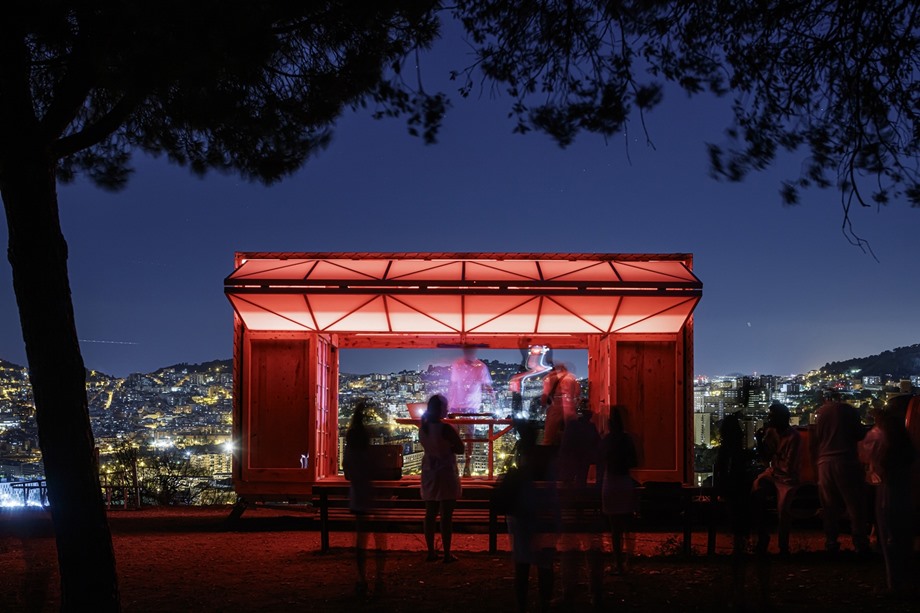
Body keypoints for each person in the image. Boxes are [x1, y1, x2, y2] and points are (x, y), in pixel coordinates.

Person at [860, 408, 915, 595]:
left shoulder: (878, 437)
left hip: (887, 489)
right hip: (903, 492)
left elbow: (865, 455)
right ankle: (906, 580)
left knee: (889, 538)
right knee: (903, 537)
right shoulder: (905, 443)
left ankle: (895, 584)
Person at [506, 419, 559, 613]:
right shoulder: (545, 460)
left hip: (522, 518)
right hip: (544, 517)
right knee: (545, 564)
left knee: (522, 566)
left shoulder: (519, 463)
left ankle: (521, 605)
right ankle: (545, 602)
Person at [811, 393, 869, 554]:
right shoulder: (848, 410)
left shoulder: (820, 413)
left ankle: (831, 543)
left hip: (824, 463)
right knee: (855, 505)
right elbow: (860, 434)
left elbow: (815, 439)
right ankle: (860, 543)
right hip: (846, 461)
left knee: (829, 507)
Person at [558, 402, 603, 606]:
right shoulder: (589, 427)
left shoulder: (573, 426)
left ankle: (569, 592)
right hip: (583, 460)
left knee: (574, 484)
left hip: (573, 461)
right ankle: (594, 595)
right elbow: (596, 445)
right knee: (581, 482)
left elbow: (567, 445)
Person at [343, 399, 387, 598]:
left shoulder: (350, 453)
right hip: (373, 495)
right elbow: (379, 471)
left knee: (361, 541)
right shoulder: (370, 452)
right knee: (379, 539)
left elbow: (347, 473)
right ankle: (380, 578)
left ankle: (361, 579)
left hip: (357, 496)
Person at [714, 412, 756, 609]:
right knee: (740, 530)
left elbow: (720, 474)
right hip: (739, 495)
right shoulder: (737, 453)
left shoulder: (725, 452)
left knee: (736, 530)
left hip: (732, 494)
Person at [419, 393, 464, 563]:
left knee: (430, 513)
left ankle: (431, 551)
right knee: (446, 516)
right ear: (440, 409)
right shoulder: (446, 428)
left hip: (429, 471)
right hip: (446, 472)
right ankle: (446, 553)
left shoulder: (423, 428)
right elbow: (460, 449)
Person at [752, 403, 801, 555]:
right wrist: (760, 441)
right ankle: (763, 537)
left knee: (783, 510)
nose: (769, 419)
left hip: (787, 478)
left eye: (772, 416)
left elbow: (788, 466)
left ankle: (783, 546)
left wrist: (772, 453)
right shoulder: (771, 432)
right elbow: (765, 459)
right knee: (756, 490)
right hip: (774, 473)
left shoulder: (793, 437)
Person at [600, 405, 638, 576]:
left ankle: (618, 563)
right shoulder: (627, 439)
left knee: (614, 529)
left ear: (609, 423)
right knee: (627, 526)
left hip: (611, 483)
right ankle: (628, 561)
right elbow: (634, 461)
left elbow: (600, 460)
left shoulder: (606, 440)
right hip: (624, 483)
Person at [448, 346, 494, 475]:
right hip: (457, 406)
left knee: (468, 437)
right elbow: (453, 385)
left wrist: (493, 397)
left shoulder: (480, 366)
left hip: (469, 407)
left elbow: (487, 385)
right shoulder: (458, 365)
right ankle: (456, 465)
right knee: (456, 436)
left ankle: (467, 465)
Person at [542, 362, 581, 446]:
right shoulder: (573, 378)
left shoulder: (550, 378)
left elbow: (545, 395)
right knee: (571, 434)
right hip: (570, 406)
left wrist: (543, 404)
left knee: (549, 436)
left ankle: (547, 452)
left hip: (556, 405)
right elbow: (577, 394)